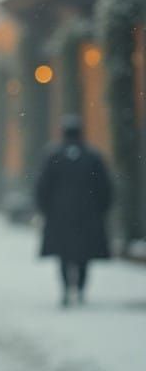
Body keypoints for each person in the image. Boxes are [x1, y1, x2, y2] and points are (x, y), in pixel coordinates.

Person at [35, 114, 112, 306]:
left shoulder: (53, 156)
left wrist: (46, 209)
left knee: (63, 253)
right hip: (87, 214)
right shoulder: (93, 156)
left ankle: (65, 288)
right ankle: (81, 288)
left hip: (60, 214)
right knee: (84, 254)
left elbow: (42, 187)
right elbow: (104, 187)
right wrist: (100, 209)